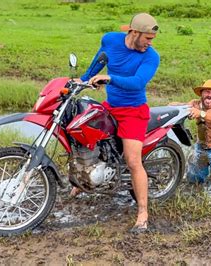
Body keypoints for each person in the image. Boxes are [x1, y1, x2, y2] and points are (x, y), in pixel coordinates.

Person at [77, 13, 160, 234]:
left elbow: (138, 83)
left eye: (152, 39)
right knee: (85, 135)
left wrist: (111, 79)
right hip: (110, 104)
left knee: (133, 161)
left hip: (133, 111)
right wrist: (85, 78)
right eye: (148, 38)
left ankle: (143, 213)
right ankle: (84, 181)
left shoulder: (151, 57)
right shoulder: (111, 39)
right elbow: (100, 59)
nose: (150, 44)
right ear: (134, 32)